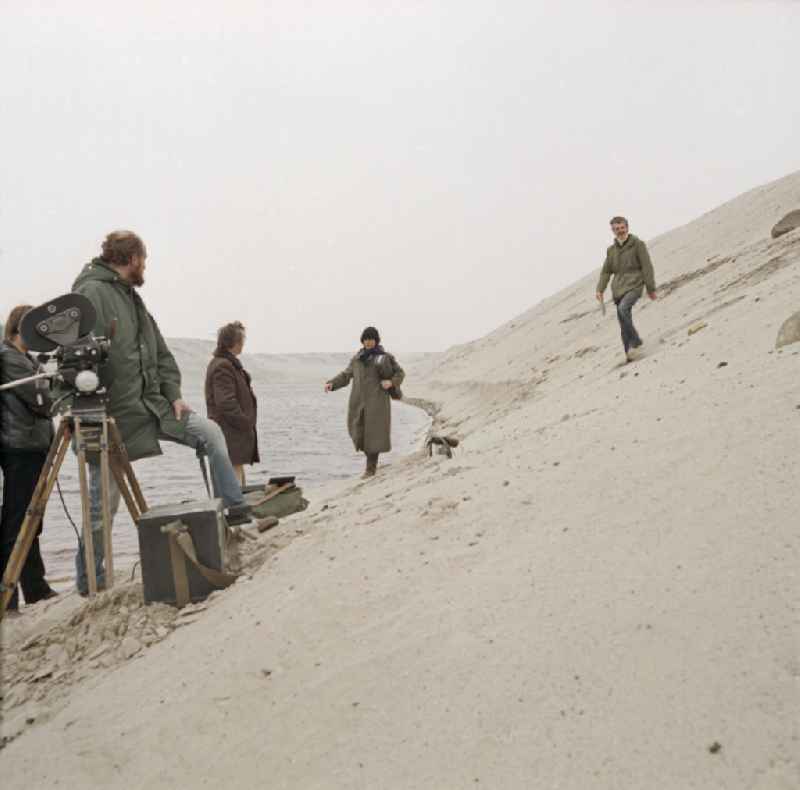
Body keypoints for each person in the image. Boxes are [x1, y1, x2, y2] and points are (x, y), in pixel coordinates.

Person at [71, 230, 250, 595]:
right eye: (144, 260)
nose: (145, 267)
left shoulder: (133, 300)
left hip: (154, 405)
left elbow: (163, 355)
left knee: (210, 433)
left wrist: (174, 395)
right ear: (132, 258)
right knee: (103, 505)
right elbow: (75, 359)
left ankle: (234, 511)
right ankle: (91, 581)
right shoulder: (90, 294)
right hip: (111, 416)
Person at [0, 305, 58, 612]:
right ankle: (8, 597)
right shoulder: (9, 357)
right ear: (21, 327)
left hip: (33, 445)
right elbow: (42, 401)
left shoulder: (27, 358)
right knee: (17, 522)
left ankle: (35, 588)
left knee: (31, 521)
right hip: (19, 448)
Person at [325, 326, 405, 479]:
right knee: (358, 430)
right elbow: (346, 375)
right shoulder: (357, 359)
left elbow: (400, 373)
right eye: (366, 339)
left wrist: (391, 382)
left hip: (377, 402)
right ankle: (369, 465)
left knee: (373, 435)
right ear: (362, 341)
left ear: (376, 341)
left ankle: (370, 468)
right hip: (358, 401)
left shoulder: (385, 357)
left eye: (372, 339)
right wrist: (332, 383)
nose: (369, 342)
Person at [596, 216, 657, 362]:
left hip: (635, 284)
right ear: (612, 230)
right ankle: (629, 354)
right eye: (616, 229)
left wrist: (650, 288)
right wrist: (600, 289)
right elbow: (606, 271)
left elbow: (646, 266)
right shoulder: (611, 250)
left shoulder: (638, 244)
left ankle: (636, 341)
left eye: (622, 228)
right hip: (618, 289)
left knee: (623, 309)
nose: (619, 231)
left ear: (627, 227)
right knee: (623, 321)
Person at [205, 321, 259, 486]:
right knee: (232, 478)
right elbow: (225, 403)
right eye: (242, 340)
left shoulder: (228, 364)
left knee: (237, 473)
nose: (243, 344)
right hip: (229, 432)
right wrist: (244, 422)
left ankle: (238, 507)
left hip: (234, 431)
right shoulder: (223, 366)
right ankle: (236, 509)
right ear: (234, 343)